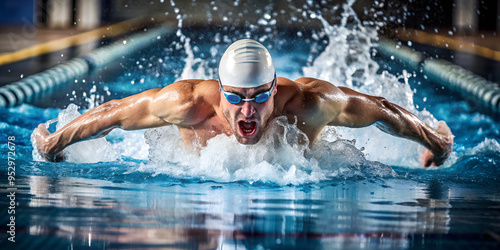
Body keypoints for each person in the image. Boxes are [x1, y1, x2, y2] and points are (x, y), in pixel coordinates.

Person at [34, 39, 454, 166]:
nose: (247, 112)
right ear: (221, 91)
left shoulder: (309, 103)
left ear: (275, 90)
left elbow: (380, 109)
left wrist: (435, 143)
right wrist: (56, 143)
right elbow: (116, 114)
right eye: (235, 99)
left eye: (259, 98)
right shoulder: (188, 105)